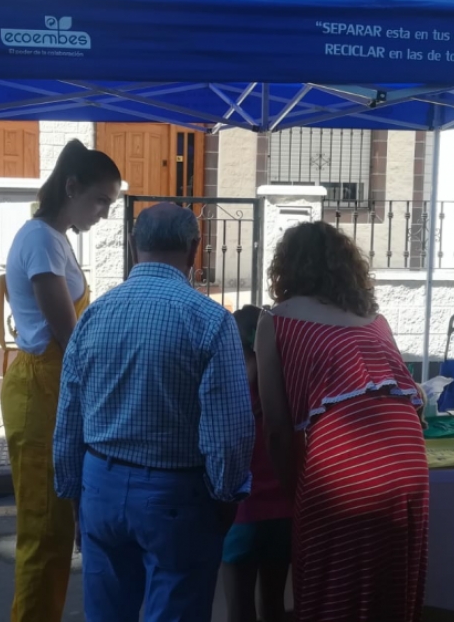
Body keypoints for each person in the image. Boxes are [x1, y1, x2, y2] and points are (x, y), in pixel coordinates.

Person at [53, 202, 255, 622]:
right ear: (194, 248)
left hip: (101, 485)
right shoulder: (212, 321)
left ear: (133, 245)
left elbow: (68, 418)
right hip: (176, 494)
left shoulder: (93, 316)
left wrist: (75, 496)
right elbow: (229, 433)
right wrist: (225, 496)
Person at [255, 221, 429, 622]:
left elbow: (277, 429)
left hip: (342, 466)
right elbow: (412, 401)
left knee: (329, 590)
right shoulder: (375, 322)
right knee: (390, 593)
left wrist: (295, 492)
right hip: (408, 463)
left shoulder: (276, 321)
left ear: (286, 267)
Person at [0, 139, 121, 622]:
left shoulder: (54, 237)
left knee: (55, 529)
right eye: (100, 200)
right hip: (40, 391)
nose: (104, 214)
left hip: (53, 389)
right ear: (71, 187)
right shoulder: (41, 240)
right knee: (44, 533)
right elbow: (69, 337)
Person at [222, 305, 292, 622]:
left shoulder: (229, 397)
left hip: (242, 516)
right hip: (283, 514)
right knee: (274, 605)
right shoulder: (283, 396)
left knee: (239, 608)